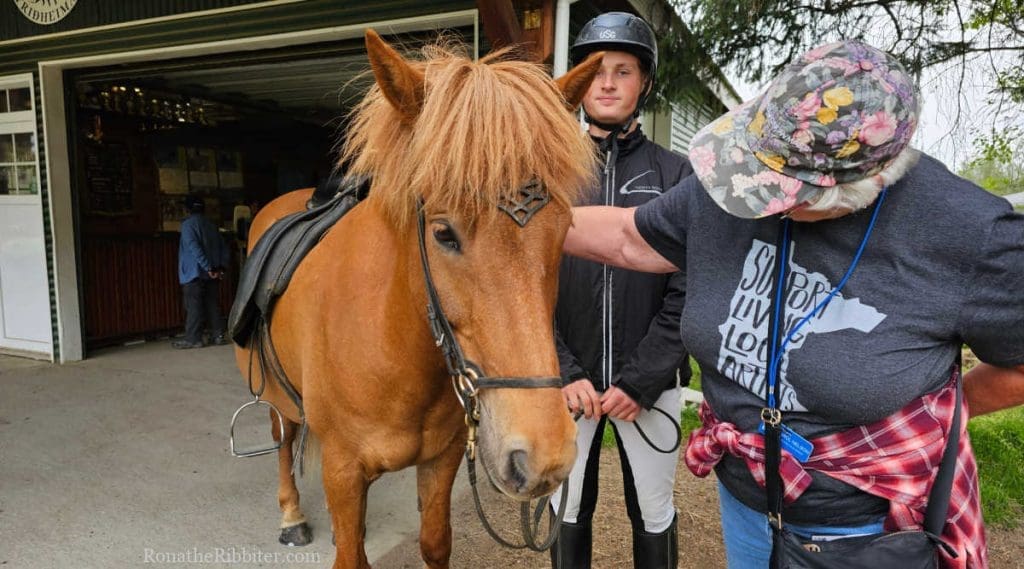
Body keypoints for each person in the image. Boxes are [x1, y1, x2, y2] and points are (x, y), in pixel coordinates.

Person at [561, 39, 1024, 568]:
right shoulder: (730, 181)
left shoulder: (969, 232)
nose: (750, 197)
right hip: (746, 499)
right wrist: (506, 209)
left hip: (868, 531)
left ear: (859, 188)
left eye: (776, 193)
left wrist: (931, 416)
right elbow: (626, 236)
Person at [549, 12, 693, 569]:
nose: (607, 82)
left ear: (645, 83)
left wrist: (641, 379)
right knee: (569, 508)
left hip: (649, 387)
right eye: (595, 71)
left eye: (623, 70)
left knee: (652, 509)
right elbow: (525, 284)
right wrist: (565, 369)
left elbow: (690, 283)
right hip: (571, 384)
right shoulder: (548, 171)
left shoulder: (677, 174)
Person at [173, 194, 230, 349]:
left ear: (187, 209)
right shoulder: (211, 225)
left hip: (194, 272)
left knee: (193, 306)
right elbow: (223, 247)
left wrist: (208, 267)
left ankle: (193, 339)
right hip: (212, 273)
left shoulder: (187, 225)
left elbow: (194, 248)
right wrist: (220, 267)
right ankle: (218, 335)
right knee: (212, 303)